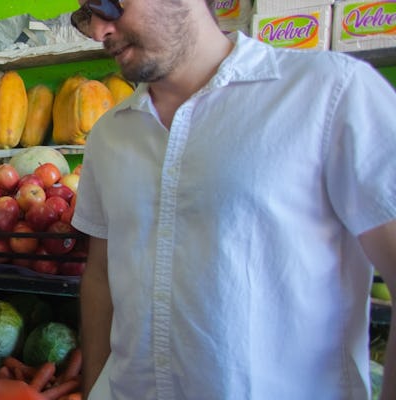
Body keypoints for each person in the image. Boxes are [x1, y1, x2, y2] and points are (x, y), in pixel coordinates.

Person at [68, 0, 396, 398]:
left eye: (109, 5)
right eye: (87, 16)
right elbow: (101, 276)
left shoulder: (331, 94)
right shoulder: (108, 136)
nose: (101, 31)